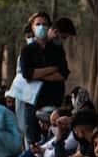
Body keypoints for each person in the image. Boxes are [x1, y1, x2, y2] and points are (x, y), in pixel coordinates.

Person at [17, 11, 70, 139]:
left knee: (54, 137)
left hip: (54, 99)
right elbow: (27, 73)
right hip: (33, 101)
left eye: (44, 24)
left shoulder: (57, 49)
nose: (41, 27)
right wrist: (52, 68)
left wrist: (37, 74)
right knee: (33, 138)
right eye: (38, 24)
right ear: (32, 27)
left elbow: (63, 74)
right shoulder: (27, 50)